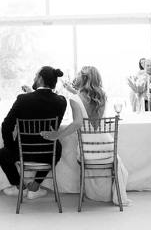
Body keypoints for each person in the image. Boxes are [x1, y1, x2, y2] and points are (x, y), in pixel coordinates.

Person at [41, 66, 129, 206]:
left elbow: (77, 123)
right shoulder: (102, 96)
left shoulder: (74, 99)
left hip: (88, 153)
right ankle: (113, 193)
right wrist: (73, 91)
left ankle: (90, 193)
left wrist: (57, 135)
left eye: (78, 75)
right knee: (116, 158)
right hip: (108, 150)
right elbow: (87, 101)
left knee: (76, 153)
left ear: (83, 79)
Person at [0, 66, 67, 200]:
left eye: (35, 75)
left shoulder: (23, 99)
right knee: (57, 147)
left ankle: (19, 186)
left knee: (2, 154)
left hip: (23, 153)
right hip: (47, 154)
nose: (34, 78)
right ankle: (35, 186)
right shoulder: (61, 102)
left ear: (40, 79)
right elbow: (53, 128)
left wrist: (10, 147)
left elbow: (6, 125)